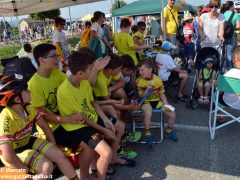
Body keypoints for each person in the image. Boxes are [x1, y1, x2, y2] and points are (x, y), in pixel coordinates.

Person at [28, 44, 97, 179]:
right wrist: (68, 119)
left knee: (96, 134)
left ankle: (94, 168)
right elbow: (43, 115)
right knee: (88, 147)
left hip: (70, 118)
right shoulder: (34, 84)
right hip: (55, 127)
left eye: (57, 55)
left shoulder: (57, 74)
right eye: (54, 56)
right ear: (42, 60)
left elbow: (74, 86)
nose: (58, 59)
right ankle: (85, 175)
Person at [0, 75, 78, 179]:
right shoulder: (6, 120)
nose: (30, 91)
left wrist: (53, 145)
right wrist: (25, 170)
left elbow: (45, 127)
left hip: (27, 140)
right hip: (13, 151)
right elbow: (8, 155)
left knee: (59, 154)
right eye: (26, 91)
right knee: (47, 167)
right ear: (18, 99)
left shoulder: (29, 108)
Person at [136, 59, 177, 147]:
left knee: (172, 114)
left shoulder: (158, 80)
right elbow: (141, 97)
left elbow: (161, 93)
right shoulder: (139, 81)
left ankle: (168, 131)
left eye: (142, 70)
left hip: (157, 102)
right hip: (145, 102)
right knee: (148, 111)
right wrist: (147, 89)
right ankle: (148, 134)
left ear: (150, 69)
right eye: (139, 70)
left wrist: (166, 104)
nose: (140, 72)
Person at [223, 1, 240, 70]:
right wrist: (233, 27)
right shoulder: (236, 15)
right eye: (233, 6)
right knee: (229, 53)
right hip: (230, 35)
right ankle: (228, 68)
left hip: (222, 35)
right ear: (231, 7)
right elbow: (238, 26)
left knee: (222, 52)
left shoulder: (222, 14)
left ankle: (221, 67)